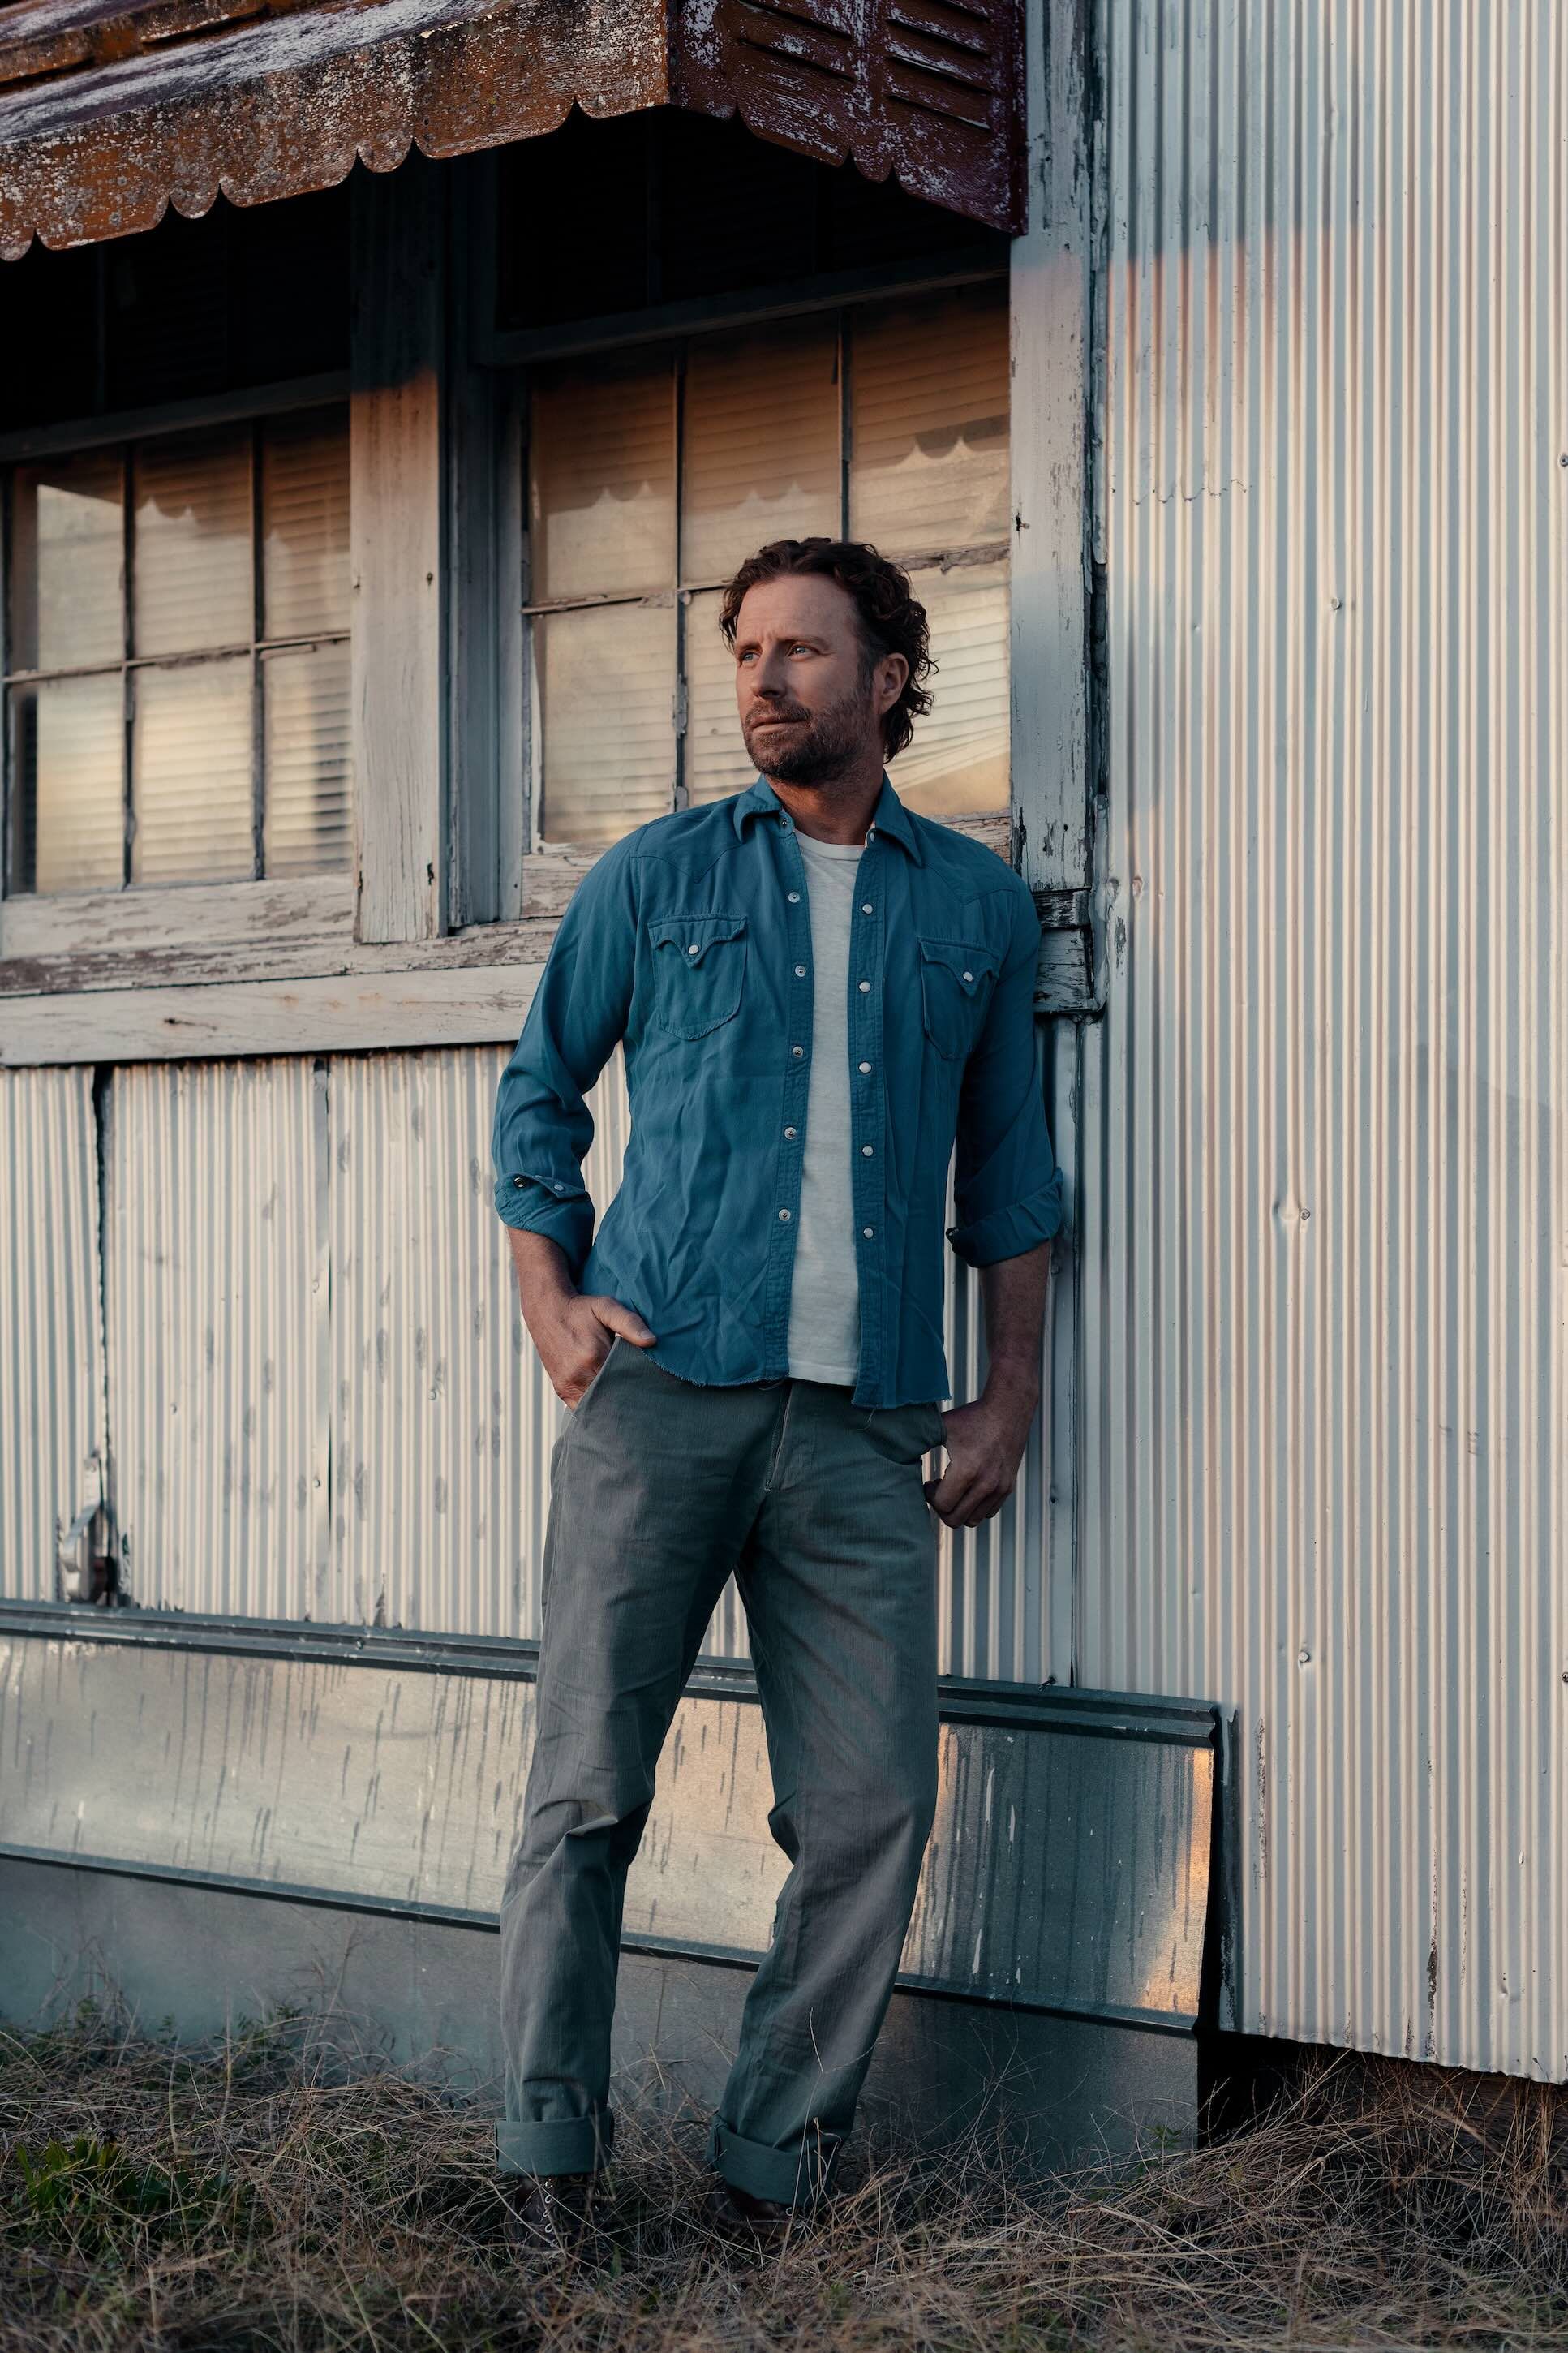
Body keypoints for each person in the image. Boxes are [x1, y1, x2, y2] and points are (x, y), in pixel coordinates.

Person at [490, 536, 1066, 2248]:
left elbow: (1010, 1174)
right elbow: (539, 1094)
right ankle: (546, 2170)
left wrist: (1007, 1392)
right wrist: (552, 1301)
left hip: (872, 1421)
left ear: (884, 679)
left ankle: (767, 2169)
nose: (762, 679)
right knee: (586, 1789)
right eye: (744, 650)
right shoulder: (652, 881)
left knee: (873, 1809)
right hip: (661, 1396)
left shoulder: (967, 906)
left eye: (802, 651)